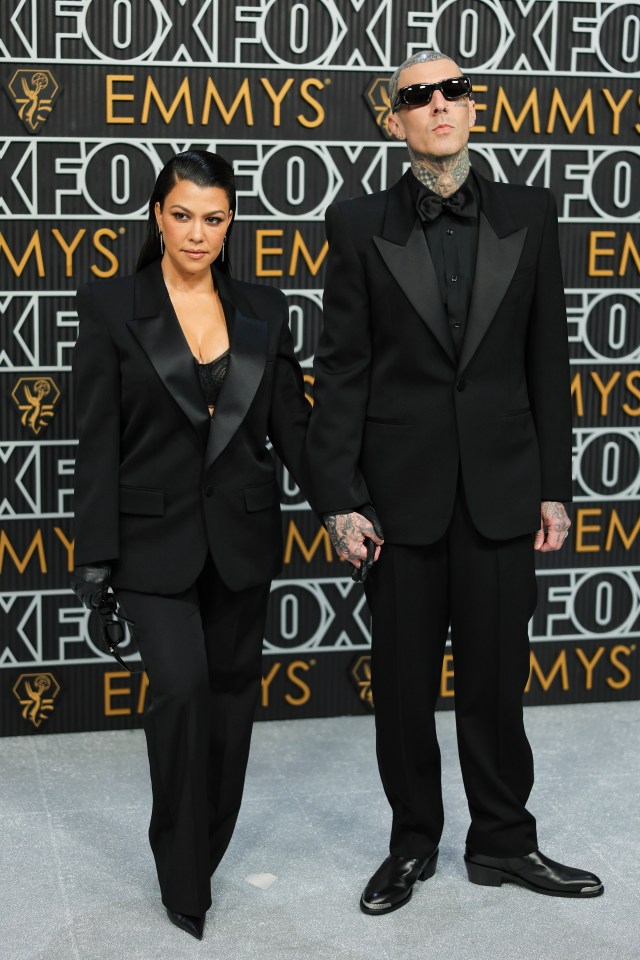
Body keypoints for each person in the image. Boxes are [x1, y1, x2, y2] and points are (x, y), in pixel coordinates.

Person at [307, 52, 603, 914]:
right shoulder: (359, 224)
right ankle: (410, 846)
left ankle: (505, 844)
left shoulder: (530, 212)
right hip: (398, 501)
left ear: (473, 107)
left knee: (496, 683)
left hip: (505, 492)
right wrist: (336, 500)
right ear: (394, 120)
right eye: (416, 95)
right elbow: (342, 372)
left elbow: (551, 358)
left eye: (452, 89)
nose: (438, 103)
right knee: (402, 690)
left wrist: (556, 484)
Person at [71, 150, 310, 939]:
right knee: (180, 692)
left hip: (241, 537)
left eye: (213, 217)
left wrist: (350, 504)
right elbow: (97, 439)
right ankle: (181, 872)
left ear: (231, 220)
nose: (196, 233)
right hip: (150, 543)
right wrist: (95, 559)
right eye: (182, 215)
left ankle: (200, 852)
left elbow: (292, 432)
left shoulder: (264, 311)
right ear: (156, 216)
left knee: (234, 704)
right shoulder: (113, 304)